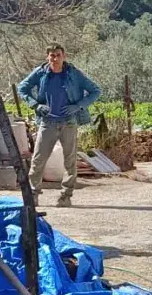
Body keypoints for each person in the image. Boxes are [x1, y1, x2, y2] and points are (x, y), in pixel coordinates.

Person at [17, 44, 101, 207]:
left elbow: (95, 91)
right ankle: (33, 194)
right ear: (47, 57)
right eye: (52, 56)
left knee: (70, 161)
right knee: (38, 159)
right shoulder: (41, 73)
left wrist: (79, 105)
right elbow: (22, 88)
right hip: (47, 122)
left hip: (69, 122)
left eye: (58, 55)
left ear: (64, 56)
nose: (55, 59)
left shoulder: (73, 74)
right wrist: (35, 105)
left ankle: (66, 196)